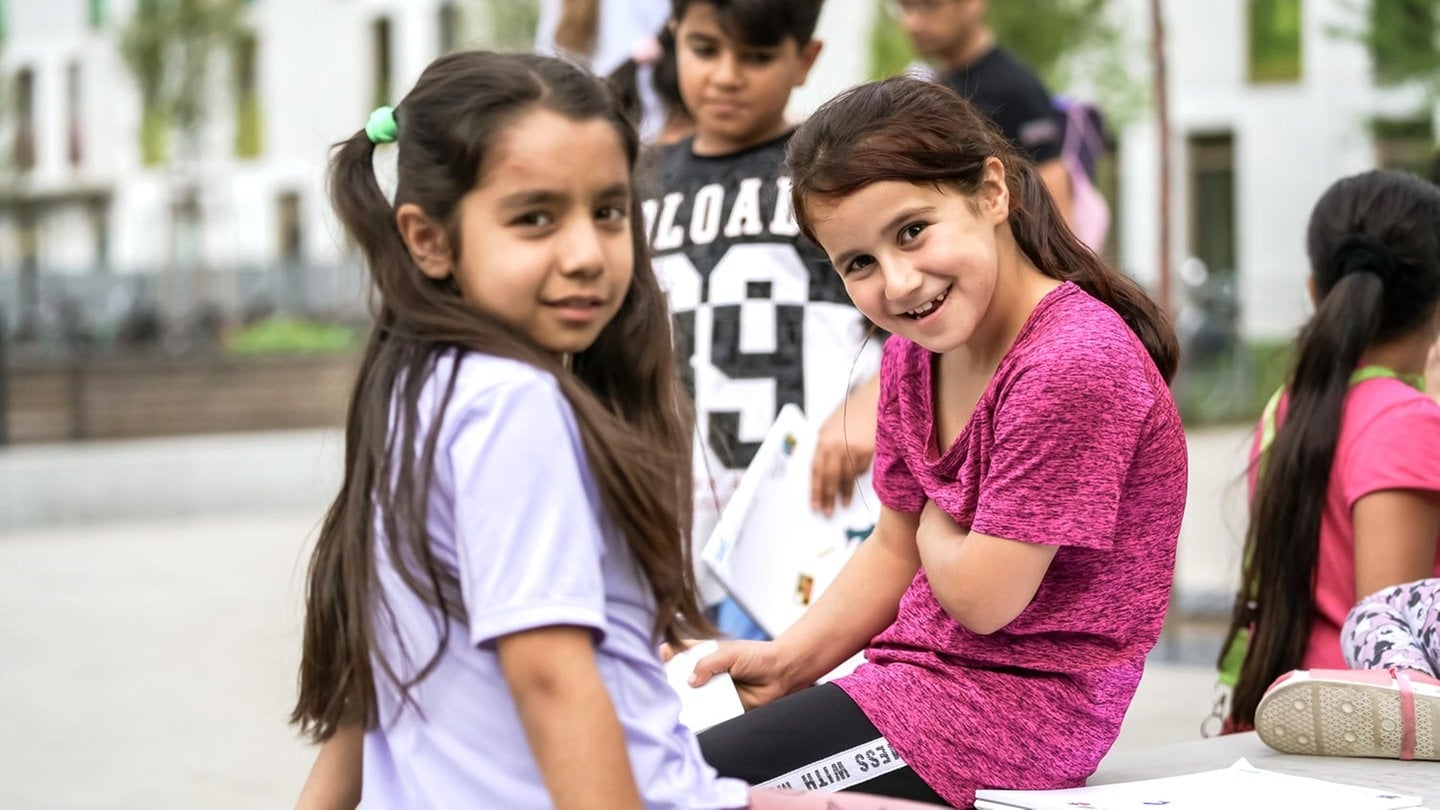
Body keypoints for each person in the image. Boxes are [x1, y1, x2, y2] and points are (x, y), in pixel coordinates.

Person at [287, 49, 937, 810]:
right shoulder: (511, 404)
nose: (586, 254)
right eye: (534, 218)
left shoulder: (414, 389)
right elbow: (552, 681)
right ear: (427, 238)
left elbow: (363, 710)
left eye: (607, 211)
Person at [675, 76, 1186, 807]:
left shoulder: (1071, 362)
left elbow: (983, 599)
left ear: (991, 193)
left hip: (1010, 726)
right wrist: (788, 662)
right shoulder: (916, 354)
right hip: (908, 693)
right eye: (859, 264)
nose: (899, 281)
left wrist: (937, 516)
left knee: (670, 789)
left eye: (912, 230)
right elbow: (893, 545)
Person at [640, 0, 883, 639]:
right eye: (705, 49)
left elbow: (929, 314)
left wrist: (878, 399)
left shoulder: (839, 170)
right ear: (673, 40)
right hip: (671, 519)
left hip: (810, 515)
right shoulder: (631, 185)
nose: (726, 76)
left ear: (806, 59)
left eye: (756, 56)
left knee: (780, 720)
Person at [1217, 170, 1440, 732]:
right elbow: (1392, 658)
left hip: (1293, 718)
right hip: (1360, 745)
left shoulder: (1290, 406)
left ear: (1316, 288)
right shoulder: (1408, 422)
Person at [889, 0, 1072, 225]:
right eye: (904, 8)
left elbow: (1056, 203)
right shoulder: (935, 84)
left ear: (973, 4)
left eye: (929, 5)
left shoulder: (1015, 89)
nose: (912, 22)